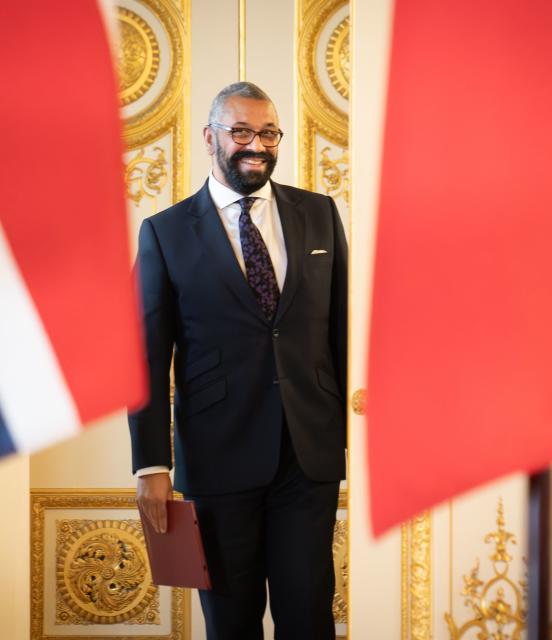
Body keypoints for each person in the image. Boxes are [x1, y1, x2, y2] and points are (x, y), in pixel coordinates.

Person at [127, 81, 348, 639]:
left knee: (309, 616)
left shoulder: (319, 214)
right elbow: (144, 357)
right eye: (242, 131)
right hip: (218, 458)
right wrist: (151, 464)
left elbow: (342, 330)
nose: (258, 145)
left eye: (269, 132)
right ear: (210, 138)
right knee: (231, 622)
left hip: (308, 456)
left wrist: (351, 432)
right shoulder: (166, 233)